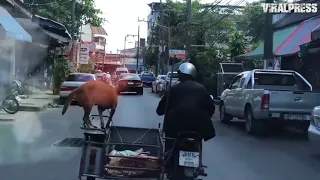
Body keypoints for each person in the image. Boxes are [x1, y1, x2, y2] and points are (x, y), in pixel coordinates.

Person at [156, 62, 216, 174]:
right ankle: (199, 164)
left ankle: (168, 163)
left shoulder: (173, 89)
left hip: (175, 128)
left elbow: (160, 110)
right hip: (197, 128)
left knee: (169, 142)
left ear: (180, 75)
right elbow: (211, 109)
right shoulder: (202, 89)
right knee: (198, 140)